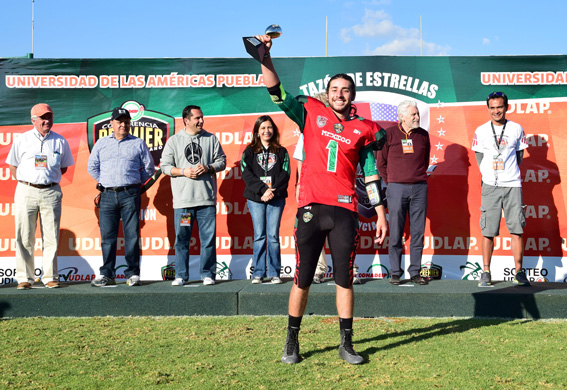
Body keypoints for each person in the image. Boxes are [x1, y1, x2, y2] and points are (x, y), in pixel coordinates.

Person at [256, 34, 388, 365]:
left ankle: (346, 344)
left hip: (345, 209)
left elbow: (370, 173)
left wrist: (382, 213)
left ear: (352, 95)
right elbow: (277, 93)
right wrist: (264, 58)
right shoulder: (310, 112)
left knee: (344, 278)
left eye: (345, 90)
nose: (339, 94)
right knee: (302, 277)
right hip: (312, 207)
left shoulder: (364, 129)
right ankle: (291, 340)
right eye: (334, 90)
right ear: (326, 95)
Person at [6, 103, 74, 290]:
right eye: (43, 118)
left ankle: (50, 276)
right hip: (26, 190)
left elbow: (64, 166)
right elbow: (13, 165)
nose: (47, 121)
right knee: (24, 235)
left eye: (49, 117)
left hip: (51, 191)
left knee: (51, 236)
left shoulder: (60, 141)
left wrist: (46, 179)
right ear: (33, 120)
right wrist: (27, 181)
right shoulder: (22, 140)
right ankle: (24, 278)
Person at [88, 107, 155, 287]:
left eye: (126, 122)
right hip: (107, 194)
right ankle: (107, 275)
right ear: (111, 123)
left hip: (130, 194)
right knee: (108, 237)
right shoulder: (101, 143)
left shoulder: (138, 143)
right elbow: (92, 167)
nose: (123, 125)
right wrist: (106, 180)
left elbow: (149, 169)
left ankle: (132, 274)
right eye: (119, 122)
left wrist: (133, 183)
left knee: (132, 235)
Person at [160, 105, 226, 286]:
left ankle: (208, 274)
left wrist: (208, 167)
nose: (201, 121)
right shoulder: (174, 141)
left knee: (208, 240)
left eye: (202, 117)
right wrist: (183, 171)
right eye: (197, 118)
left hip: (206, 201)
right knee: (182, 239)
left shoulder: (211, 138)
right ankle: (181, 275)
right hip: (184, 203)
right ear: (186, 120)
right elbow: (165, 166)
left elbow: (222, 161)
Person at [472, 91, 530, 287]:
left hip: (513, 183)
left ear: (506, 107)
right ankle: (486, 272)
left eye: (499, 107)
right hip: (490, 185)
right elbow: (479, 158)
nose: (496, 111)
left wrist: (508, 173)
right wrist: (490, 175)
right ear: (488, 109)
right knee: (488, 230)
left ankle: (519, 272)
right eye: (492, 107)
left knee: (517, 230)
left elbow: (519, 156)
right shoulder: (481, 131)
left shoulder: (516, 128)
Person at [293, 133, 361, 285]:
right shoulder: (309, 129)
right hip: (316, 189)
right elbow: (300, 159)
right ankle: (319, 269)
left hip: (342, 188)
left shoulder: (347, 127)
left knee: (345, 233)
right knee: (314, 230)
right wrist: (299, 184)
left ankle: (351, 269)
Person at [377, 100, 430, 286]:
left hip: (420, 187)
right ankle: (395, 272)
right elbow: (380, 164)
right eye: (413, 114)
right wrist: (391, 182)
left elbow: (425, 159)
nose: (417, 117)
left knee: (418, 232)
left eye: (417, 114)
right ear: (401, 116)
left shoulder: (423, 135)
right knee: (396, 231)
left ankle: (415, 272)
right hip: (396, 188)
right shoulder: (389, 134)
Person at [241, 115, 290, 284]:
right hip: (256, 198)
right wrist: (263, 190)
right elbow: (246, 174)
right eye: (262, 128)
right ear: (257, 131)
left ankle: (275, 272)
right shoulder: (249, 151)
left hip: (276, 198)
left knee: (273, 236)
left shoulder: (282, 151)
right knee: (260, 236)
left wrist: (272, 191)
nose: (266, 131)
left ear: (274, 130)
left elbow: (285, 173)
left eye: (269, 127)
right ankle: (259, 272)